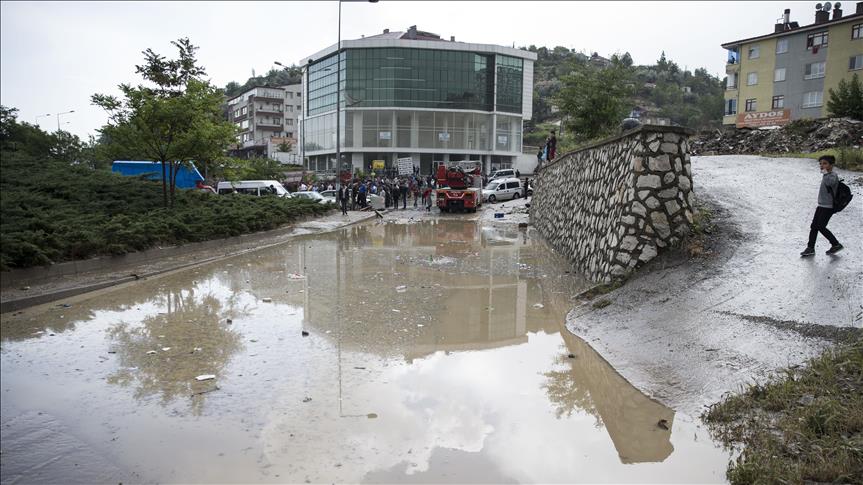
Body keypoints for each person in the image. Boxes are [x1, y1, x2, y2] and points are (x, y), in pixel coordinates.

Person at [801, 155, 844, 257]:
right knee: (814, 227)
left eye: (825, 163)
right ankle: (810, 248)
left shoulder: (832, 175)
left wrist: (825, 172)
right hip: (821, 205)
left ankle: (836, 244)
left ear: (831, 165)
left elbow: (830, 183)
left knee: (821, 226)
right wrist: (825, 173)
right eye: (820, 163)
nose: (822, 165)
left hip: (828, 207)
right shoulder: (827, 175)